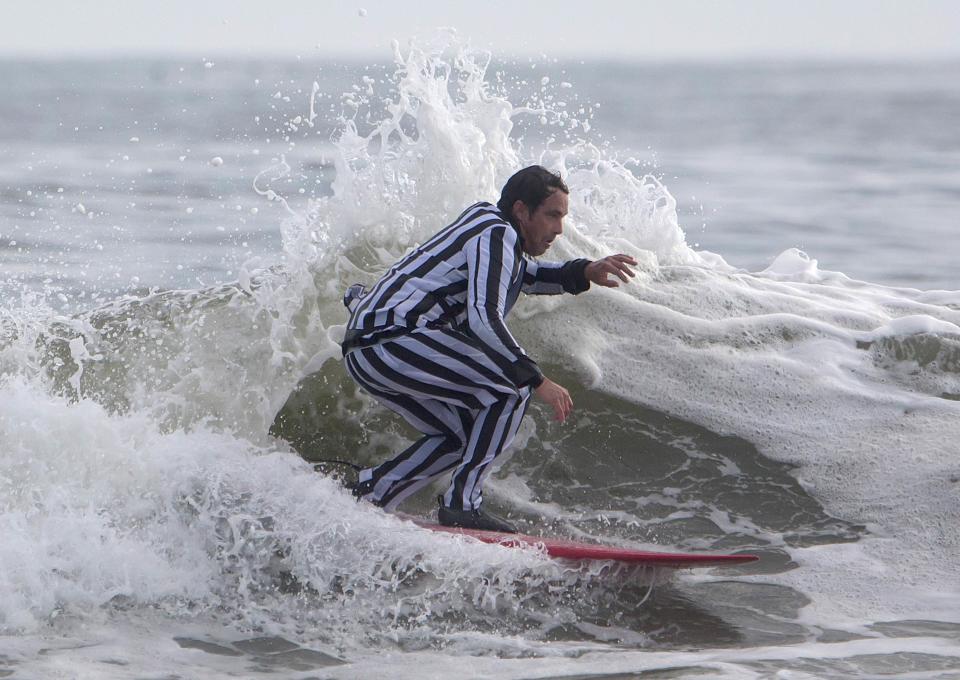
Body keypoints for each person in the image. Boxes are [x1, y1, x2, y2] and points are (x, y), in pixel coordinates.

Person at [340, 165, 637, 532]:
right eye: (552, 216)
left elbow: (524, 275)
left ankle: (373, 491)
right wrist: (535, 378)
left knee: (459, 434)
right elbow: (484, 317)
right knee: (511, 390)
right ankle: (461, 505)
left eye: (563, 217)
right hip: (394, 340)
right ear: (521, 211)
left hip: (367, 349)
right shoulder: (497, 234)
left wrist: (584, 271)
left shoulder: (488, 227)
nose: (559, 229)